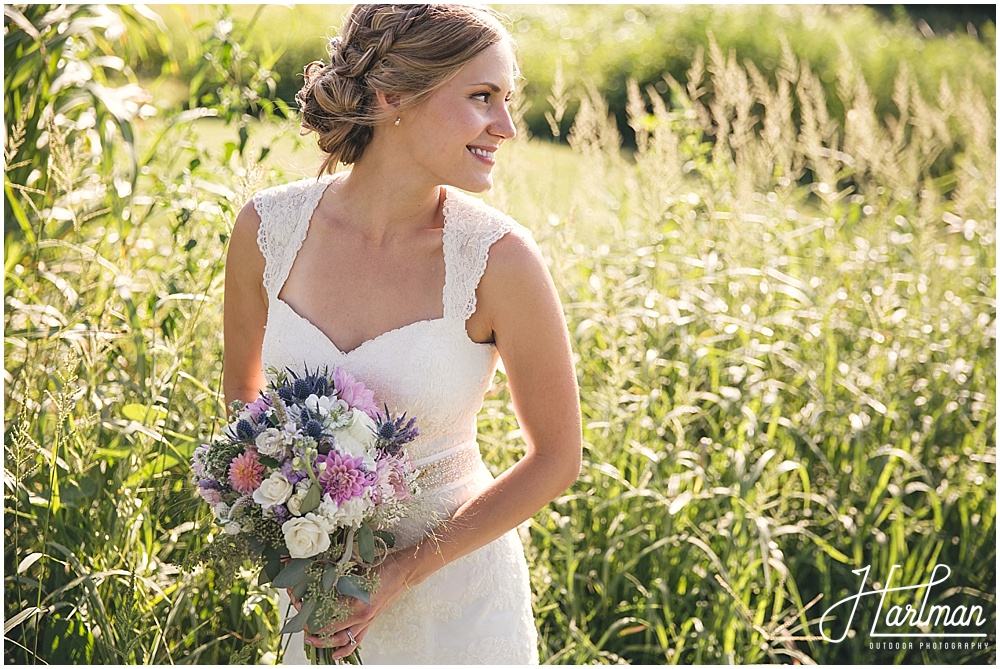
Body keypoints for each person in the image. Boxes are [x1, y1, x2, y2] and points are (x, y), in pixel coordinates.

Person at [222, 4, 581, 664]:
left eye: (508, 100)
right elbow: (242, 401)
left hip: (460, 603)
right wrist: (293, 528)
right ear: (394, 96)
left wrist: (402, 570)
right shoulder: (266, 232)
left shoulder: (500, 259)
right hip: (321, 595)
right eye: (482, 98)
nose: (505, 126)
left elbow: (558, 457)